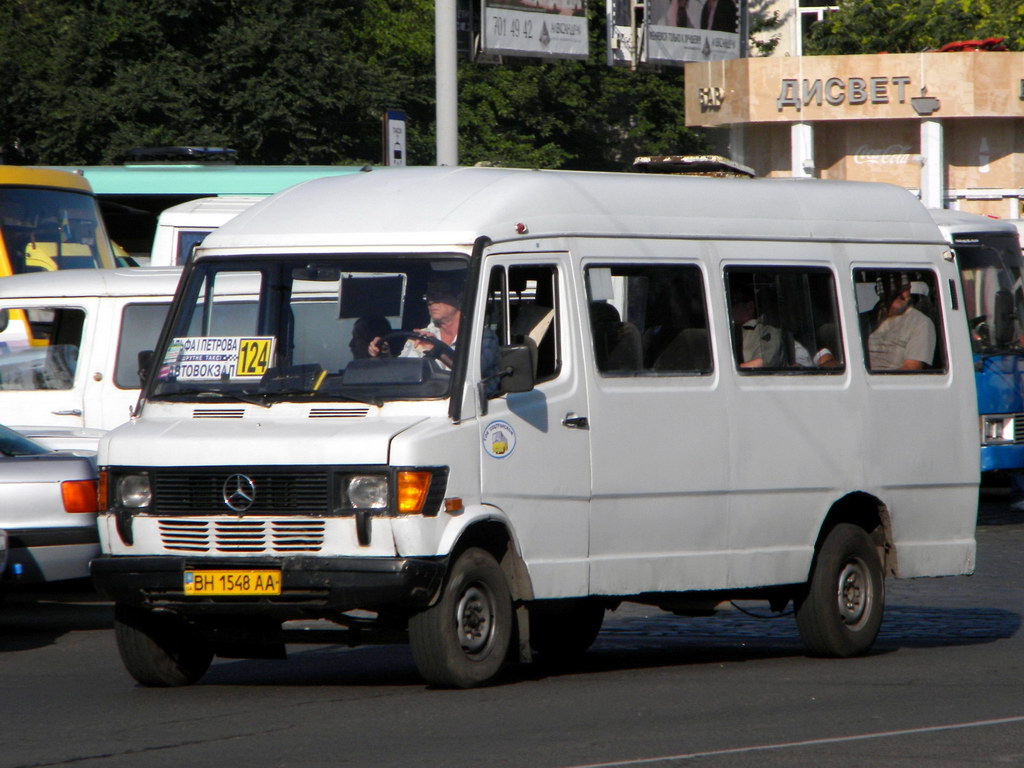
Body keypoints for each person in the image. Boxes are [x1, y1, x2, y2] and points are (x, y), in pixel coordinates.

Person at [367, 277, 501, 390]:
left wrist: (437, 350)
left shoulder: (482, 337)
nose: (431, 301)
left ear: (459, 299)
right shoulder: (419, 337)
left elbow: (470, 374)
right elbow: (400, 376)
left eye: (438, 295)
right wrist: (384, 356)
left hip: (469, 408)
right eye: (429, 296)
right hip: (423, 405)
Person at [867, 278, 936, 370]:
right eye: (891, 289)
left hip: (888, 383)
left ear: (910, 289)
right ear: (878, 291)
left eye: (904, 287)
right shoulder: (865, 321)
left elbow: (911, 369)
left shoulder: (920, 323)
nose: (899, 294)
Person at [730, 285, 787, 368]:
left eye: (733, 301)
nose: (729, 306)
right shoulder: (723, 333)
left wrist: (729, 370)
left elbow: (763, 363)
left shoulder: (767, 331)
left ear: (749, 307)